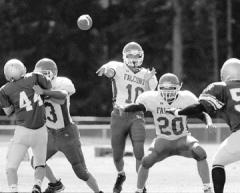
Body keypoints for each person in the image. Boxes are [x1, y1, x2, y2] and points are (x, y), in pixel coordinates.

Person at [166, 58, 240, 193]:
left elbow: (199, 107)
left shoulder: (220, 87)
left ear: (225, 74)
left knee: (217, 163)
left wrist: (178, 112)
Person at [124, 73, 214, 193]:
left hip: (182, 138)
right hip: (163, 140)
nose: (167, 92)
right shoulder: (152, 98)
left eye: (171, 88)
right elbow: (138, 106)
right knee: (146, 161)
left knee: (200, 152)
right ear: (158, 88)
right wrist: (124, 108)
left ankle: (207, 188)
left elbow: (201, 114)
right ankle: (139, 190)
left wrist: (209, 122)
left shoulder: (186, 98)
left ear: (178, 87)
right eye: (164, 88)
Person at [31, 58, 103, 193]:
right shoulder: (34, 88)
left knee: (81, 171)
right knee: (36, 162)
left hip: (67, 133)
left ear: (53, 74)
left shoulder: (61, 83)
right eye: (39, 74)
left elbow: (62, 97)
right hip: (49, 134)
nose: (42, 77)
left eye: (44, 74)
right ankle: (55, 184)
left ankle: (99, 192)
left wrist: (44, 93)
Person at [96, 42, 158, 193]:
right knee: (117, 155)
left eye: (137, 55)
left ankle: (141, 186)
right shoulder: (118, 67)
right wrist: (106, 70)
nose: (134, 58)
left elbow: (150, 95)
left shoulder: (148, 74)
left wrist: (148, 80)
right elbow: (110, 71)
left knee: (139, 151)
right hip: (118, 115)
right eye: (130, 55)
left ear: (142, 56)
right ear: (124, 56)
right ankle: (121, 175)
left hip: (137, 115)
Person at [0, 59, 52, 193]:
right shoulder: (34, 76)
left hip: (23, 131)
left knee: (11, 167)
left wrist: (16, 100)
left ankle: (13, 189)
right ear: (22, 69)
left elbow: (8, 111)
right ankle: (37, 185)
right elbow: (48, 88)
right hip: (40, 129)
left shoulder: (4, 90)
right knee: (40, 163)